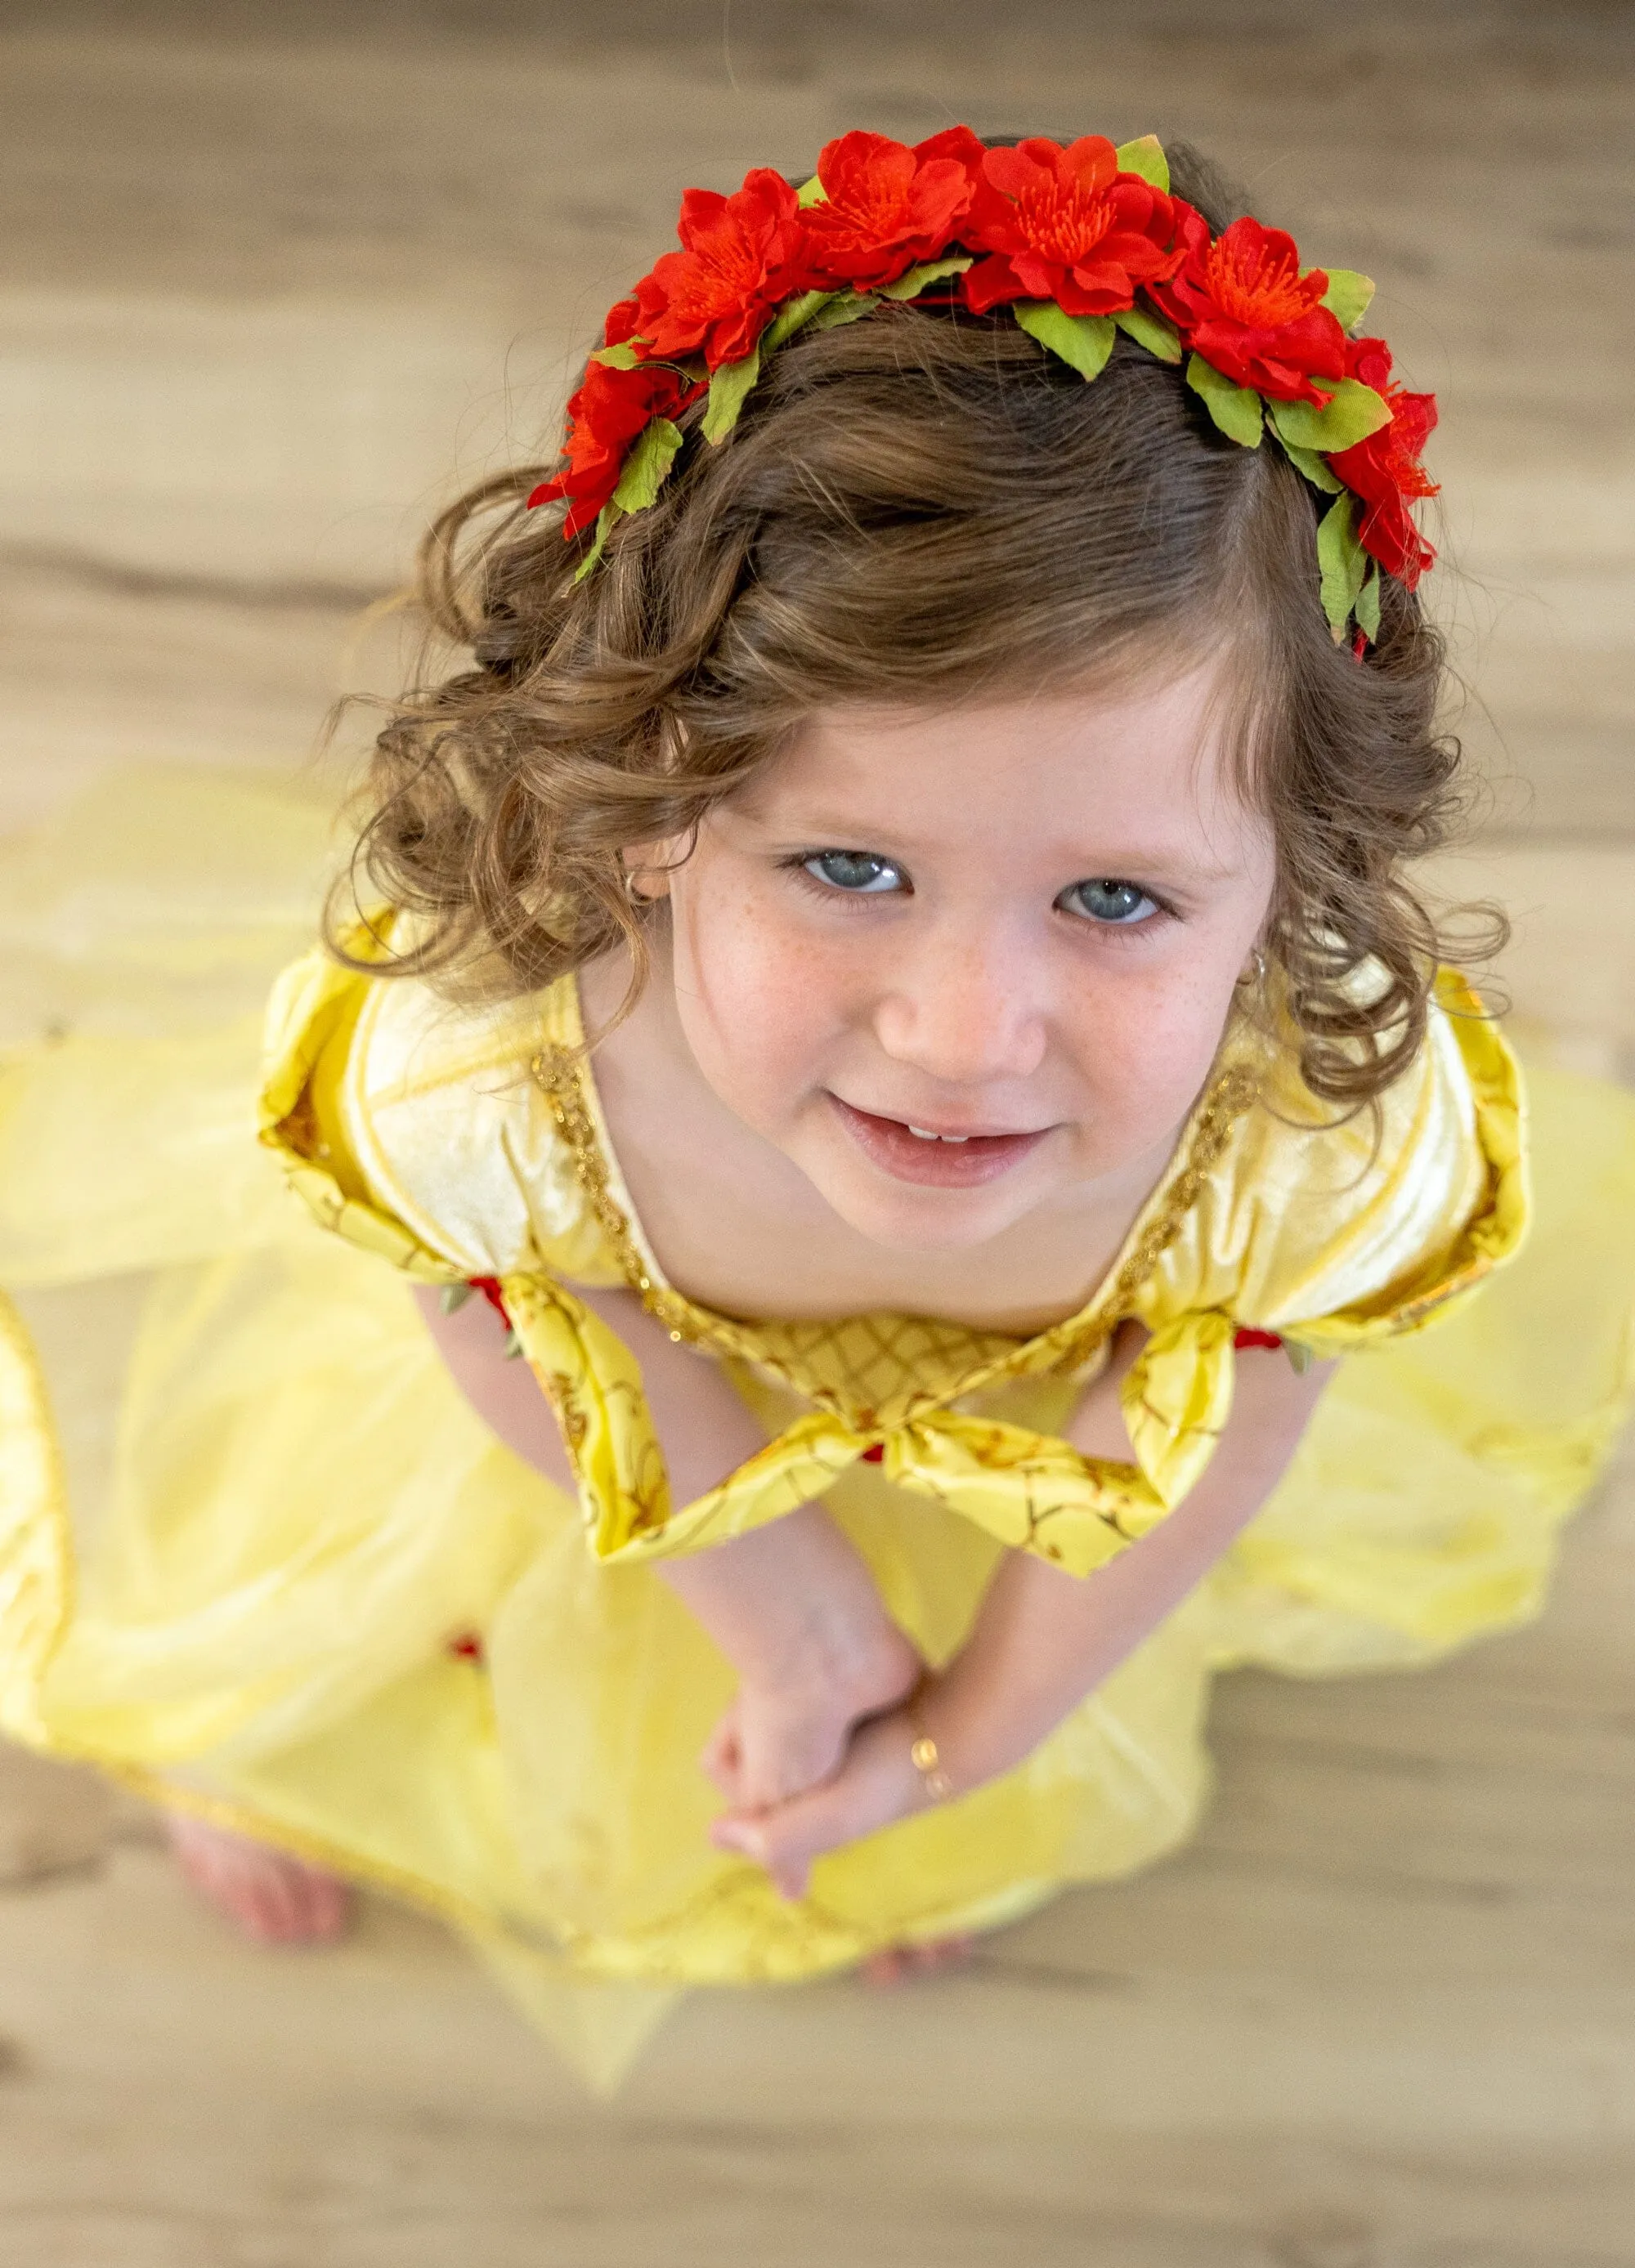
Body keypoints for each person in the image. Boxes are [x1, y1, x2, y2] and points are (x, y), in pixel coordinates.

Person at [3, 128, 1632, 2089]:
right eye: (850, 869)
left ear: (1290, 872)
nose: (961, 1037)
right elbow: (489, 1297)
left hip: (1018, 1481)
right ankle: (282, 1734)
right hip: (601, 1447)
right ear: (661, 805)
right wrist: (787, 1620)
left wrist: (961, 1736)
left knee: (1004, 1747)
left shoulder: (1299, 1132)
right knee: (311, 1609)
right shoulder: (497, 1065)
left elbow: (1214, 1429)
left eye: (1114, 899)